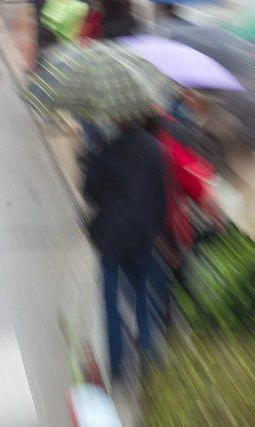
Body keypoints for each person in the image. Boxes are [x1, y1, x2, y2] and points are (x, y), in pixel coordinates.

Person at [83, 118, 167, 380]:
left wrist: (95, 161)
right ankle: (148, 359)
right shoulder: (154, 149)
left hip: (112, 238)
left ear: (118, 121)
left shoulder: (109, 149)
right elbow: (161, 197)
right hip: (142, 237)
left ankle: (117, 366)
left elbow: (91, 194)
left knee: (111, 302)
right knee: (142, 294)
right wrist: (153, 230)